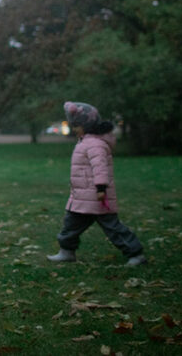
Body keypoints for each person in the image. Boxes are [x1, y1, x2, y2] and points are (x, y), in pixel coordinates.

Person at [47, 101, 147, 266]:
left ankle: (135, 254)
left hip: (96, 197)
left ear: (86, 125)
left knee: (113, 228)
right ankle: (66, 251)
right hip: (81, 198)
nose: (74, 129)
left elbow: (100, 168)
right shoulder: (85, 141)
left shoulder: (95, 144)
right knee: (70, 227)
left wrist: (101, 188)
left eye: (76, 126)